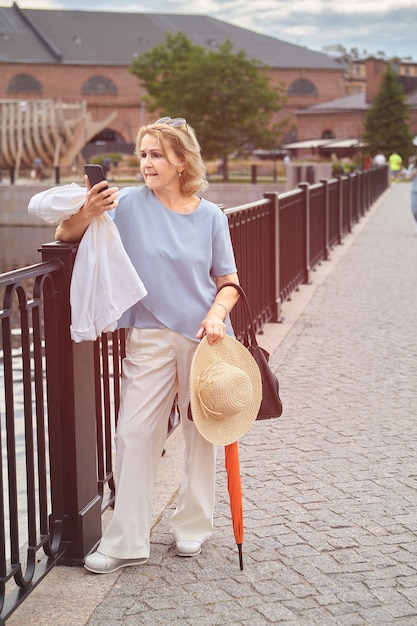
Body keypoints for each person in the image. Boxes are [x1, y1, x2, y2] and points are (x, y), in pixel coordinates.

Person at [55, 116, 240, 574]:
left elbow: (229, 282)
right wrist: (89, 211)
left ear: (181, 161)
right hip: (149, 335)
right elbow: (64, 236)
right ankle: (126, 541)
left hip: (204, 338)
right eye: (142, 154)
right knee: (134, 434)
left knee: (201, 436)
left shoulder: (211, 215)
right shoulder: (128, 204)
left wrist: (217, 313)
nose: (146, 163)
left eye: (156, 154)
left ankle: (193, 527)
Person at [405, 155, 417, 233]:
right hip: (414, 191)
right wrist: (414, 172)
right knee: (414, 210)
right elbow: (408, 179)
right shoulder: (412, 166)